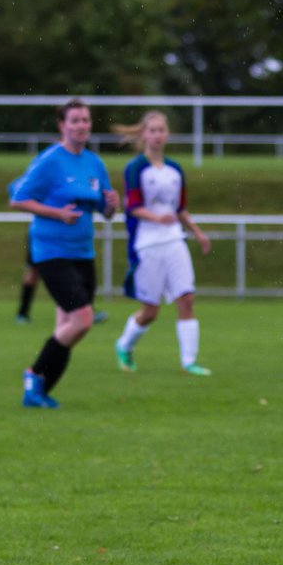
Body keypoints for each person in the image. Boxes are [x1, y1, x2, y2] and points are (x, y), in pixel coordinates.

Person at [10, 98, 119, 408]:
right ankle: (34, 375)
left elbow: (105, 210)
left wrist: (111, 205)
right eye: (74, 121)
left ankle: (40, 391)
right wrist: (57, 213)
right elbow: (18, 200)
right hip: (51, 250)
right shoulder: (49, 161)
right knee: (83, 319)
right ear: (62, 126)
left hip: (83, 252)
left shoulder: (94, 163)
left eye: (85, 120)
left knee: (69, 327)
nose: (81, 126)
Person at [111, 111, 213, 375]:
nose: (157, 135)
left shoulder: (174, 169)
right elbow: (132, 207)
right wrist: (157, 217)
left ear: (167, 134)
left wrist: (197, 232)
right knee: (151, 311)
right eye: (152, 130)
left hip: (174, 240)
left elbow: (179, 208)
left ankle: (189, 361)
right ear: (144, 134)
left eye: (161, 130)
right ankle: (124, 344)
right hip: (147, 244)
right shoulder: (135, 169)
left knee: (187, 299)